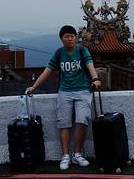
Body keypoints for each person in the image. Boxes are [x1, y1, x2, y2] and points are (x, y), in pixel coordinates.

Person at [26, 25, 101, 171]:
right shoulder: (59, 53)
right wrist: (34, 87)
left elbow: (90, 65)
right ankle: (65, 155)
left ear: (75, 38)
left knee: (82, 120)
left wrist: (95, 79)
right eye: (67, 36)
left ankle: (77, 154)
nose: (70, 39)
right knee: (64, 123)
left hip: (83, 90)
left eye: (72, 36)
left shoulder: (82, 50)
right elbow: (47, 71)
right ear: (61, 39)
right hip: (65, 92)